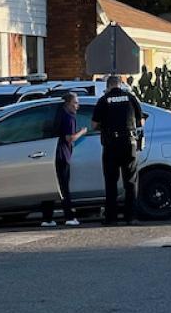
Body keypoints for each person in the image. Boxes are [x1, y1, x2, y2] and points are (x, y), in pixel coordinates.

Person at [94, 75, 145, 225]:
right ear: (120, 85)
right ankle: (131, 217)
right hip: (129, 143)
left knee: (111, 181)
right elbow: (140, 120)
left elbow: (94, 124)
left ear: (108, 86)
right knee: (130, 181)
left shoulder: (103, 100)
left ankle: (111, 218)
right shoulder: (130, 97)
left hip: (111, 145)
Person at [41, 92, 88, 227]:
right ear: (68, 104)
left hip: (52, 153)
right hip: (62, 155)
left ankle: (47, 218)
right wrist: (82, 132)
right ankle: (69, 216)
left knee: (51, 186)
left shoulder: (58, 115)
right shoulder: (69, 117)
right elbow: (70, 138)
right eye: (75, 103)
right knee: (64, 187)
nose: (77, 106)